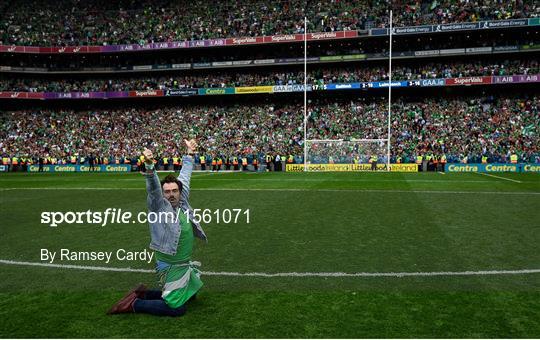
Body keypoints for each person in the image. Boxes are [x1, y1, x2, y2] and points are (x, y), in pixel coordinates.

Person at [107, 139, 207, 317]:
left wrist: (190, 154)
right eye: (167, 192)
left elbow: (184, 177)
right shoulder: (158, 206)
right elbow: (153, 188)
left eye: (174, 191)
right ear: (163, 194)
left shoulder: (182, 201)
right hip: (169, 265)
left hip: (183, 263)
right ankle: (135, 303)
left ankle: (144, 293)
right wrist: (149, 166)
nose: (171, 195)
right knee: (177, 308)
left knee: (191, 296)